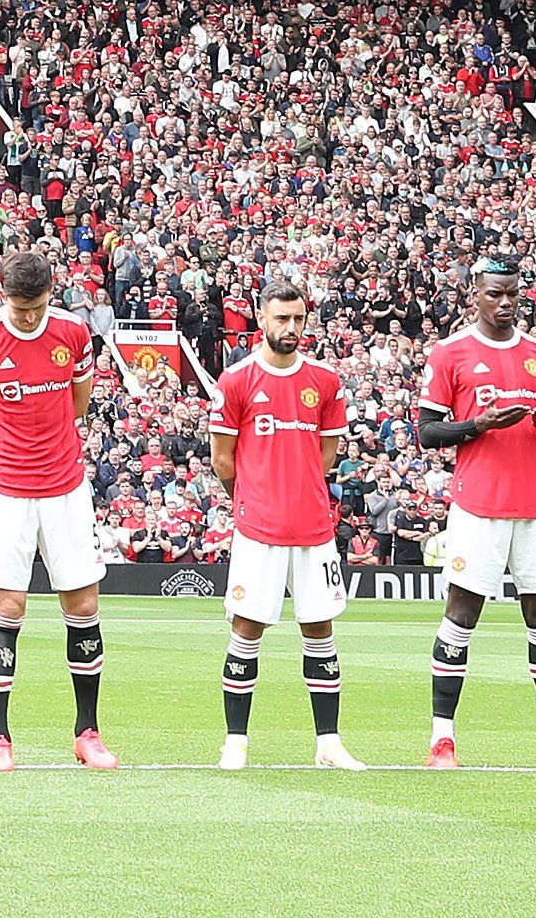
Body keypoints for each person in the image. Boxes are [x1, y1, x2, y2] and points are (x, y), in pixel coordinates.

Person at [419, 260, 536, 770]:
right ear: (475, 295)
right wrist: (478, 424)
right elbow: (428, 433)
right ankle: (442, 741)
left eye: (513, 295)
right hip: (479, 505)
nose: (505, 303)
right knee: (461, 615)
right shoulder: (450, 353)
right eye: (495, 294)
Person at [0, 248, 112, 772]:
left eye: (36, 307)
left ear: (50, 294)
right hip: (6, 491)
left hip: (65, 486)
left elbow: (78, 399)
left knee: (83, 605)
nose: (29, 318)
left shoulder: (72, 332)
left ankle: (88, 732)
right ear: (3, 297)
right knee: (8, 606)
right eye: (20, 309)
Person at [207, 278, 359, 772]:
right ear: (261, 317)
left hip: (313, 527)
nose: (291, 328)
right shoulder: (236, 381)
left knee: (320, 629)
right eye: (282, 319)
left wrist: (297, 489)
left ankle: (329, 744)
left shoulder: (325, 381)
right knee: (247, 629)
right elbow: (223, 462)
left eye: (298, 319)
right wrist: (255, 498)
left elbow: (326, 457)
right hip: (259, 528)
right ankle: (236, 743)